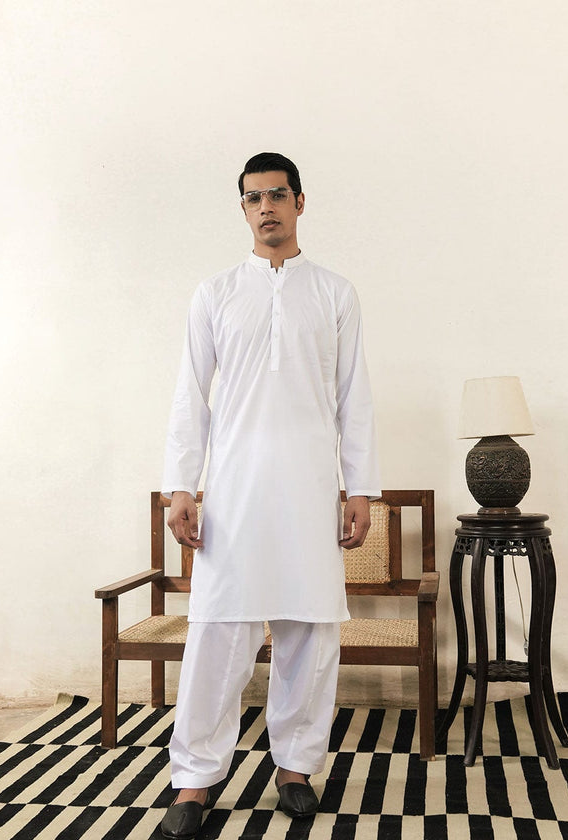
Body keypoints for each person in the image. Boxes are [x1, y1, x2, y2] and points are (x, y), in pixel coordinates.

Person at [160, 152, 381, 840]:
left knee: (309, 632)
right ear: (244, 208)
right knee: (218, 631)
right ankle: (195, 779)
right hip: (234, 489)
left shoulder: (334, 293)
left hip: (310, 489)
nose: (266, 208)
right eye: (254, 198)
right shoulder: (216, 293)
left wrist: (359, 488)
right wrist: (181, 486)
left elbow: (354, 397)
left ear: (300, 202)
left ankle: (296, 770)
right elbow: (190, 395)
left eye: (278, 195)